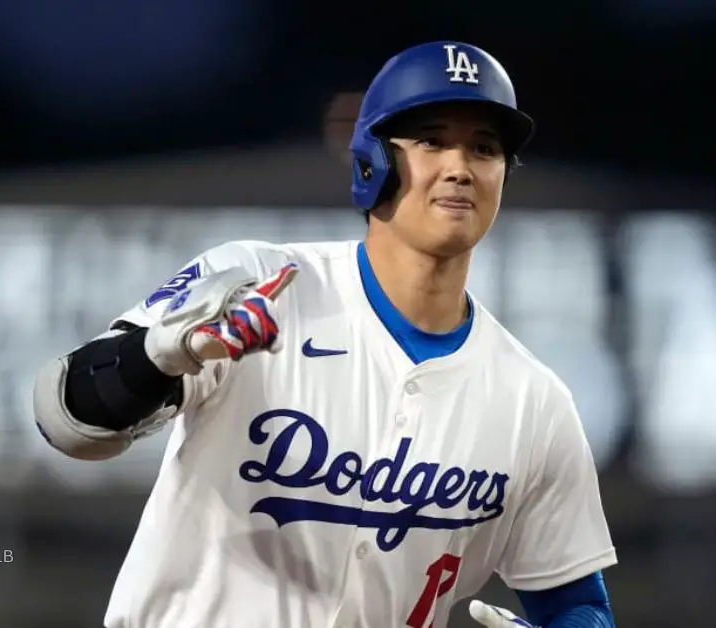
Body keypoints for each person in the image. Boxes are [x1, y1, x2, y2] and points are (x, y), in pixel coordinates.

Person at [31, 41, 617, 628]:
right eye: (432, 140)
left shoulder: (533, 401)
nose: (460, 166)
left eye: (484, 148)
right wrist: (156, 354)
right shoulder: (258, 286)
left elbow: (578, 602)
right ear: (373, 161)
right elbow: (66, 421)